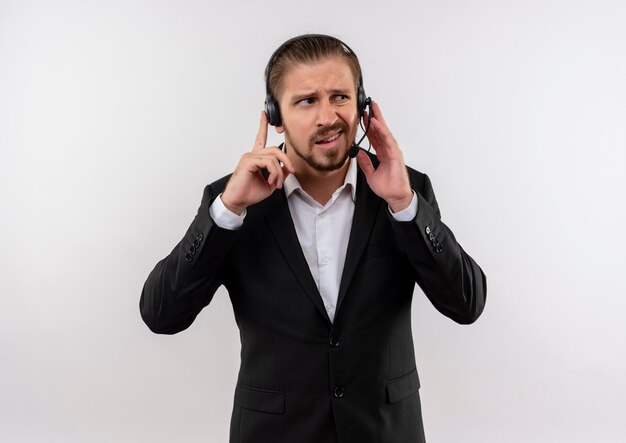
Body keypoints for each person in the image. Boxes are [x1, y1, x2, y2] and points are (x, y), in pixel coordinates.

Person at [140, 34, 487, 443]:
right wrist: (227, 211)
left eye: (340, 97)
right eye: (307, 101)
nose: (328, 116)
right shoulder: (233, 201)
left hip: (384, 432)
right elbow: (161, 315)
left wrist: (405, 204)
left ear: (362, 106)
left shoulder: (406, 190)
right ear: (275, 117)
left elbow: (467, 304)